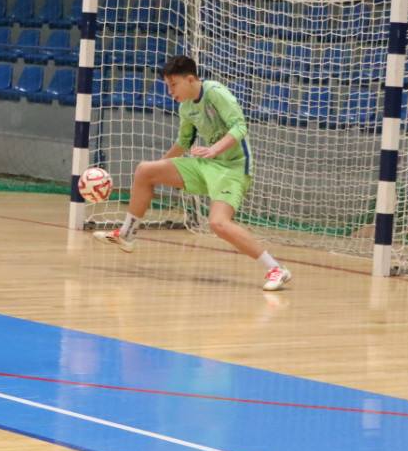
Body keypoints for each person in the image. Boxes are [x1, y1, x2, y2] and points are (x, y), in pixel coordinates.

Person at [93, 55, 291, 292]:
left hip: (233, 169)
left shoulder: (215, 92)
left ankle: (276, 269)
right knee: (145, 171)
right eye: (167, 86)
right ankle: (127, 234)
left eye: (173, 85)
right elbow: (184, 142)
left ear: (190, 79)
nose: (170, 91)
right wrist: (159, 167)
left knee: (218, 223)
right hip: (206, 164)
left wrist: (213, 150)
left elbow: (240, 127)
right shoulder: (185, 107)